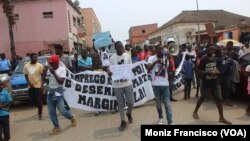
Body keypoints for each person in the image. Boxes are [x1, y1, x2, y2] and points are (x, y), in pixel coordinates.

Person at [192, 45, 232, 125]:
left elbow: (216, 68)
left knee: (219, 99)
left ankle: (221, 117)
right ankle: (195, 112)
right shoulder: (203, 59)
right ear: (207, 50)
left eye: (213, 49)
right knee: (202, 98)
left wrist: (217, 72)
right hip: (206, 83)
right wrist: (209, 73)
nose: (212, 51)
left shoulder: (215, 59)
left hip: (215, 82)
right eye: (210, 49)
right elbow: (199, 71)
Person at [45, 55, 77, 135]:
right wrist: (43, 74)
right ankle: (56, 127)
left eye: (52, 64)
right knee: (51, 112)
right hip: (50, 92)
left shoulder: (62, 70)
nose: (50, 65)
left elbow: (61, 82)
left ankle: (72, 117)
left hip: (58, 93)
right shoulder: (49, 70)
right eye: (50, 64)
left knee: (62, 110)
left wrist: (54, 73)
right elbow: (47, 80)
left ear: (56, 63)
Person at [108, 41, 134, 131]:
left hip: (128, 83)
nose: (120, 48)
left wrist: (133, 69)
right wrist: (110, 73)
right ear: (115, 48)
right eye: (118, 47)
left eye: (121, 46)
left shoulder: (128, 56)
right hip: (117, 84)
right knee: (121, 104)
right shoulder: (112, 58)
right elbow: (110, 70)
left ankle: (129, 113)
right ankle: (123, 121)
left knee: (131, 102)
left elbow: (130, 67)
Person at [147, 44, 173, 125]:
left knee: (167, 104)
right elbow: (148, 69)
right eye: (159, 49)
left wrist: (169, 58)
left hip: (165, 84)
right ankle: (160, 117)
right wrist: (156, 62)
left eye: (162, 49)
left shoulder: (166, 57)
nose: (161, 50)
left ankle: (170, 121)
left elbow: (169, 69)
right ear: (156, 50)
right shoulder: (151, 58)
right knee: (158, 103)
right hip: (156, 85)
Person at [23, 53, 44, 120]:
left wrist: (42, 85)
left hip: (38, 85)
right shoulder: (26, 66)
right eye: (34, 57)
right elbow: (26, 75)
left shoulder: (40, 65)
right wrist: (28, 83)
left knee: (38, 101)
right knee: (33, 101)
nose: (35, 58)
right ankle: (39, 106)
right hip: (30, 86)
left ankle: (40, 114)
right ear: (30, 58)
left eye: (36, 57)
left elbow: (43, 75)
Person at [54, 44, 72, 110]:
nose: (55, 51)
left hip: (66, 77)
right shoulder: (55, 58)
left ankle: (67, 104)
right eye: (55, 49)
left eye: (56, 49)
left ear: (60, 50)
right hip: (58, 78)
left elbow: (70, 67)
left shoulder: (67, 57)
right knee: (60, 92)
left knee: (66, 92)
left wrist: (64, 71)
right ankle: (65, 104)